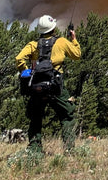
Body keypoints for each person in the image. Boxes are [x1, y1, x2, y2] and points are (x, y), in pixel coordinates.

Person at [16, 14, 81, 153]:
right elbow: (77, 55)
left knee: (35, 117)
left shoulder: (33, 45)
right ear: (53, 28)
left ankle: (34, 149)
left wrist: (26, 72)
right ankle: (69, 150)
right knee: (67, 114)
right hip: (56, 86)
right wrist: (73, 39)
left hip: (37, 86)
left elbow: (19, 58)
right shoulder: (61, 42)